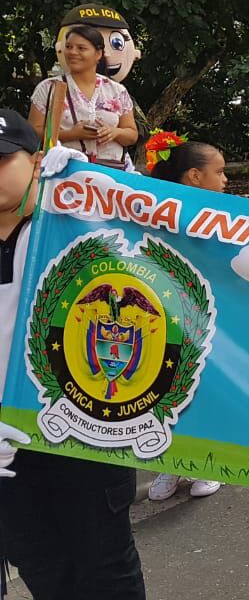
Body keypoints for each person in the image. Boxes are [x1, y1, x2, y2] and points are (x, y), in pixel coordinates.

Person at [0, 114, 147, 598]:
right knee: (45, 573)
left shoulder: (78, 226)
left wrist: (94, 191)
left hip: (84, 436)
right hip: (7, 456)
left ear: (37, 159)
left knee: (106, 571)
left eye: (2, 160)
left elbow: (164, 235)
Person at [146, 138, 231, 501]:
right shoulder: (157, 208)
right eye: (220, 171)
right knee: (166, 383)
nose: (226, 179)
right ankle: (172, 460)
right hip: (168, 310)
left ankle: (208, 461)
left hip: (212, 314)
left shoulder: (226, 213)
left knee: (205, 385)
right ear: (195, 176)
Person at [28, 25, 139, 169]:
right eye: (69, 47)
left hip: (111, 175)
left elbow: (132, 135)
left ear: (98, 54)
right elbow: (32, 132)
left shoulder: (116, 90)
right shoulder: (49, 88)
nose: (73, 52)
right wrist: (70, 134)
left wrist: (114, 132)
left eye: (81, 48)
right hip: (64, 173)